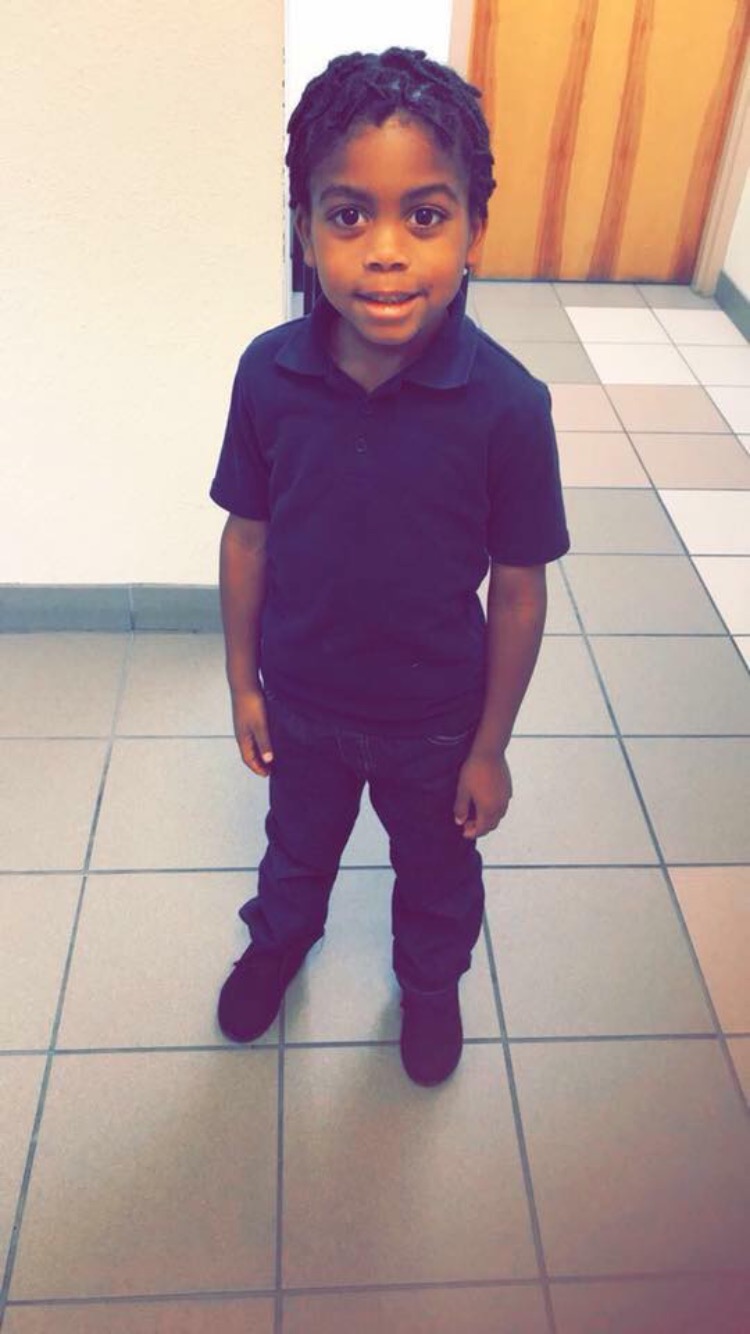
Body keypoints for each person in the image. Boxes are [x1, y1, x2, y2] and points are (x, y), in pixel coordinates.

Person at [210, 47, 569, 1086]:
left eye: (424, 215)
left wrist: (490, 745)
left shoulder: (510, 407)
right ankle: (279, 943)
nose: (384, 253)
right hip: (304, 698)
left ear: (474, 229)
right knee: (295, 852)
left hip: (436, 718)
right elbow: (247, 538)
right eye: (347, 214)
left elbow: (521, 588)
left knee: (438, 873)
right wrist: (243, 682)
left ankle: (429, 983)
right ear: (303, 228)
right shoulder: (267, 377)